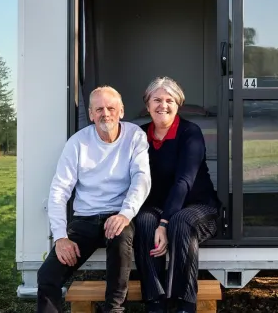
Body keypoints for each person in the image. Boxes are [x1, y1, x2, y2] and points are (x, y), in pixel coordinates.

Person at [37, 86, 152, 313]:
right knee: (47, 276)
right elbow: (59, 190)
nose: (105, 113)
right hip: (85, 219)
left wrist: (125, 214)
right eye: (99, 109)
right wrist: (60, 237)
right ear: (90, 114)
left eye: (111, 108)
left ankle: (114, 310)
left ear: (121, 111)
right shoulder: (77, 143)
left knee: (121, 239)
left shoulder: (135, 136)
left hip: (118, 215)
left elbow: (142, 178)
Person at [133, 77, 221, 313]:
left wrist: (165, 223)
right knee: (143, 221)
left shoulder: (190, 132)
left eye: (169, 100)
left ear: (178, 104)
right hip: (158, 206)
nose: (163, 105)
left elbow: (184, 181)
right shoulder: (140, 135)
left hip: (199, 206)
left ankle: (184, 303)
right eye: (157, 99)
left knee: (180, 223)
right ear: (148, 105)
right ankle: (155, 301)